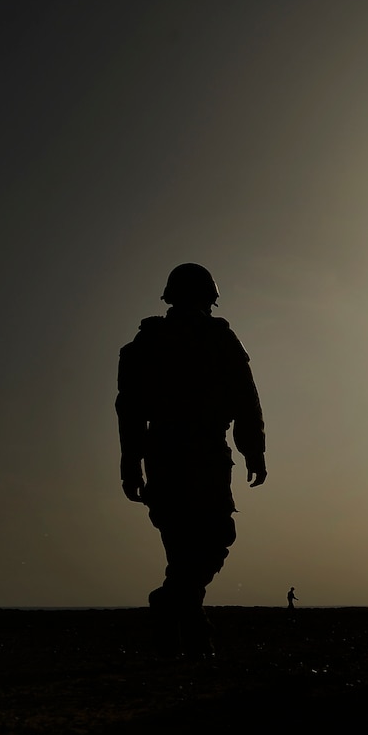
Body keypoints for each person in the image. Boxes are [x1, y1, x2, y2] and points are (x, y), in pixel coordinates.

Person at [117, 263, 266, 652]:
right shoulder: (160, 343)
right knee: (205, 537)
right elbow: (130, 408)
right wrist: (253, 451)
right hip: (185, 449)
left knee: (196, 541)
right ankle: (181, 615)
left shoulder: (172, 342)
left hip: (179, 450)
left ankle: (178, 615)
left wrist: (254, 449)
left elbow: (245, 401)